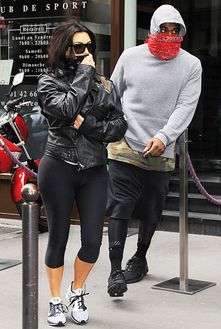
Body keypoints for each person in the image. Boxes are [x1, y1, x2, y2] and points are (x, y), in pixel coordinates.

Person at [106, 4, 202, 297]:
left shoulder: (191, 65)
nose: (169, 35)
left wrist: (164, 136)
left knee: (151, 210)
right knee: (120, 207)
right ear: (153, 29)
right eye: (164, 29)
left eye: (175, 31)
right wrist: (113, 127)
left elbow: (185, 106)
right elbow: (113, 92)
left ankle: (140, 257)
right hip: (124, 145)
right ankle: (114, 271)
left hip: (161, 149)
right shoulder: (130, 57)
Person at [37, 21, 127, 326]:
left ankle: (77, 291)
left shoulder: (105, 85)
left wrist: (88, 125)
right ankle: (54, 299)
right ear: (65, 50)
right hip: (58, 167)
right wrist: (85, 75)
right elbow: (64, 110)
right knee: (58, 238)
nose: (86, 53)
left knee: (92, 241)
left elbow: (118, 126)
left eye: (89, 47)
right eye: (78, 47)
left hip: (94, 170)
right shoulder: (48, 82)